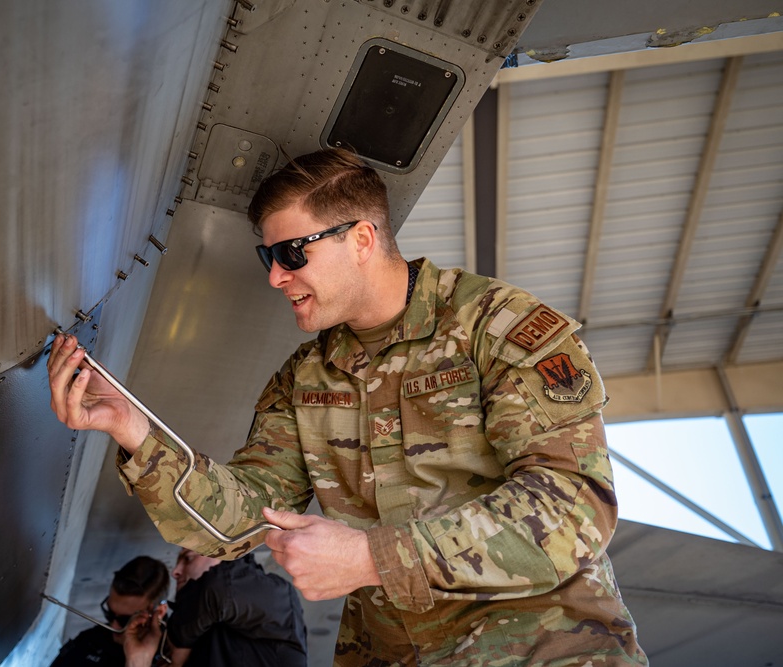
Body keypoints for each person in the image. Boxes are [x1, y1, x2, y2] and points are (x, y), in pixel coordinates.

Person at [48, 148, 649, 665]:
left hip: (538, 651)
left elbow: (573, 511)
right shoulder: (304, 378)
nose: (275, 278)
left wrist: (371, 556)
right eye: (268, 258)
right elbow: (241, 522)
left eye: (291, 254)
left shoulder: (496, 327)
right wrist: (134, 431)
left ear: (361, 238)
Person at [163, 547, 307, 666]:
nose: (175, 571)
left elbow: (218, 587)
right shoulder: (194, 626)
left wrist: (178, 641)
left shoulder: (277, 597)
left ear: (224, 553)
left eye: (188, 558)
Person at [50, 556, 170, 667]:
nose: (114, 626)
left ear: (158, 613)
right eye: (109, 614)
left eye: (125, 620)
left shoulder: (175, 656)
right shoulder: (91, 641)